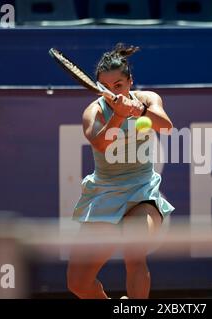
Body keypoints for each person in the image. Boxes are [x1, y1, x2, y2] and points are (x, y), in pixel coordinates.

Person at [67, 43, 175, 299]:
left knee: (134, 251)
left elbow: (167, 127)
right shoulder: (93, 112)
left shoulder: (148, 98)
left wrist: (141, 112)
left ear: (130, 82)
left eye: (119, 85)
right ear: (98, 86)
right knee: (78, 283)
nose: (113, 90)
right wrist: (118, 114)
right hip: (104, 195)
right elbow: (101, 144)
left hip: (142, 192)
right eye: (105, 86)